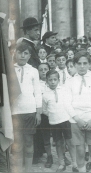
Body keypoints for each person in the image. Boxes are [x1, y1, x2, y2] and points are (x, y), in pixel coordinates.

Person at [65, 51, 91, 172]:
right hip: (76, 121)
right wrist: (77, 119)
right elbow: (67, 103)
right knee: (80, 151)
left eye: (85, 63)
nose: (82, 66)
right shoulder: (69, 82)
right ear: (75, 64)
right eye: (79, 63)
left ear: (89, 64)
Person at [12, 43, 42, 172]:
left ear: (29, 56)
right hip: (15, 111)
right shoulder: (10, 69)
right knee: (17, 143)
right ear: (15, 53)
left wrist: (38, 112)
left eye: (25, 53)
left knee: (29, 141)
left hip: (30, 111)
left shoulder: (33, 71)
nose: (22, 56)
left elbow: (37, 91)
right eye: (20, 52)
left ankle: (28, 169)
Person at [42, 70, 77, 172]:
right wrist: (53, 114)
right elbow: (44, 110)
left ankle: (74, 163)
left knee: (70, 142)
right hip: (54, 122)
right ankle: (61, 163)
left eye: (55, 79)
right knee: (58, 143)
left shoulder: (64, 90)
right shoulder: (45, 95)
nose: (53, 82)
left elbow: (68, 104)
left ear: (58, 80)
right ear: (47, 81)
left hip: (66, 120)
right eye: (50, 80)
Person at [37, 63, 53, 168]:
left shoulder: (54, 82)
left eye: (45, 69)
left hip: (55, 114)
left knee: (58, 137)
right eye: (41, 70)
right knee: (46, 137)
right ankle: (50, 156)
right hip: (43, 115)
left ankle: (62, 156)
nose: (43, 71)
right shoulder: (36, 84)